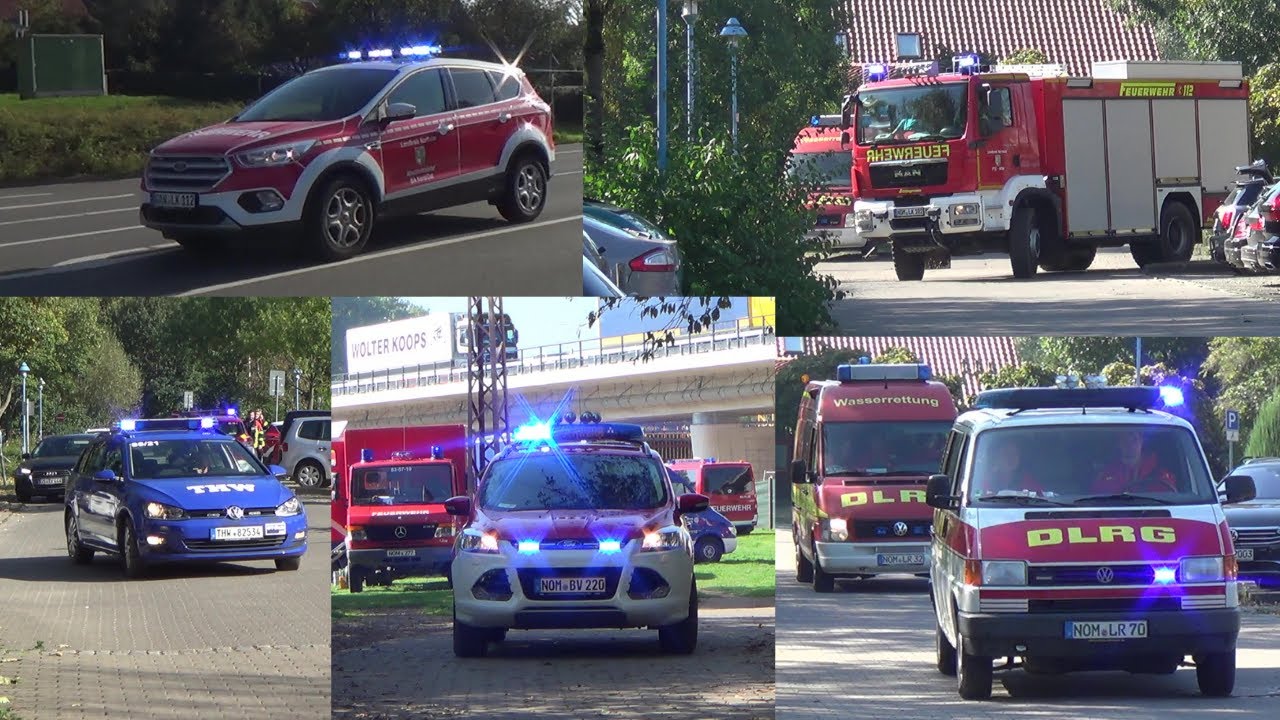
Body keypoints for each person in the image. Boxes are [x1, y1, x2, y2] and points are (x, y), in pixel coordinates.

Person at [1092, 429, 1179, 494]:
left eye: (1134, 439)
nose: (1129, 444)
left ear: (1141, 441)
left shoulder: (1158, 472)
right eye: (1125, 439)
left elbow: (1171, 496)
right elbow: (1098, 500)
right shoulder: (1108, 473)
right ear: (1119, 443)